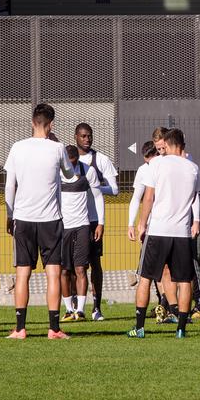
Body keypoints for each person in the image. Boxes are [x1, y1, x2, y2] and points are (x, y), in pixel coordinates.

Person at [4, 104, 75, 340]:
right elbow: (70, 176)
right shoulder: (57, 148)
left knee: (22, 273)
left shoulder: (17, 147)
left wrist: (9, 214)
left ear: (32, 121)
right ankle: (54, 328)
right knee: (53, 274)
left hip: (23, 219)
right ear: (51, 124)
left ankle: (20, 328)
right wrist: (57, 143)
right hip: (51, 220)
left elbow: (9, 187)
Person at [128, 129, 200, 339]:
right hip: (182, 232)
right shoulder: (193, 168)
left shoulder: (157, 164)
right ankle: (181, 329)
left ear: (167, 145)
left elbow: (148, 197)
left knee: (145, 278)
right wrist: (195, 221)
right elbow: (194, 198)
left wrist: (141, 223)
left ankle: (140, 327)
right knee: (185, 280)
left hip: (158, 230)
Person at [74, 123, 117, 322]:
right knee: (71, 266)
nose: (87, 139)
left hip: (92, 221)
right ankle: (73, 306)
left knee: (94, 264)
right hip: (71, 219)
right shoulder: (67, 158)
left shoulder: (100, 159)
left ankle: (96, 307)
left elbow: (115, 189)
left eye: (89, 136)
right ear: (76, 137)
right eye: (83, 136)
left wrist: (95, 188)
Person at [60, 145, 99, 321]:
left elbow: (98, 197)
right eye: (69, 162)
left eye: (75, 161)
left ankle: (81, 310)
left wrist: (101, 223)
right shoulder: (56, 172)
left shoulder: (88, 171)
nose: (72, 165)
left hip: (82, 225)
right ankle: (68, 310)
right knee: (64, 271)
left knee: (81, 268)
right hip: (62, 227)